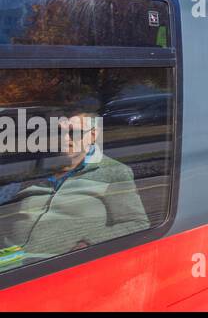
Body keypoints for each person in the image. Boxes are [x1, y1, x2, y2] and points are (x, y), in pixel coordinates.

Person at [0, 111, 149, 268]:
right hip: (9, 259)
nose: (65, 139)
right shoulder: (38, 169)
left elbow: (136, 223)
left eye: (74, 132)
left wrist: (89, 243)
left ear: (92, 136)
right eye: (59, 132)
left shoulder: (113, 171)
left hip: (54, 265)